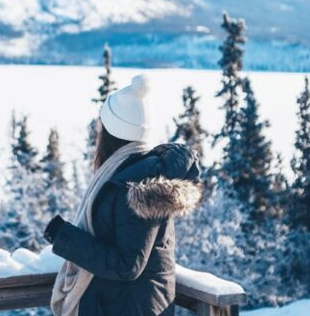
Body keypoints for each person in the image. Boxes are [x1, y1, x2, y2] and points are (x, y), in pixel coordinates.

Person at [44, 74, 202, 316]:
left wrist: (64, 237)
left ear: (108, 132)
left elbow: (128, 265)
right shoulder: (132, 171)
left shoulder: (139, 186)